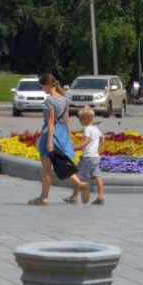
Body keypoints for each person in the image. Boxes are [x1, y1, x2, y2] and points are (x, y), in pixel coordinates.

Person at [30, 73, 87, 206]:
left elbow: (50, 122)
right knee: (60, 162)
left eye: (41, 86)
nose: (41, 89)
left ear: (47, 85)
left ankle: (44, 198)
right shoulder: (64, 99)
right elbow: (67, 120)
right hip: (62, 135)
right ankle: (80, 183)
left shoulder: (50, 100)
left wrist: (49, 142)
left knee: (46, 169)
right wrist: (68, 137)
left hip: (50, 135)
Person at [66, 107, 106, 205]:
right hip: (95, 157)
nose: (79, 120)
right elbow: (103, 138)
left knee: (78, 177)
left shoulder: (87, 129)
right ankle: (101, 196)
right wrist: (97, 148)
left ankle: (74, 197)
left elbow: (85, 142)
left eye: (81, 118)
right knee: (97, 175)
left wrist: (73, 148)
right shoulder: (95, 128)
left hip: (87, 157)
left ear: (86, 118)